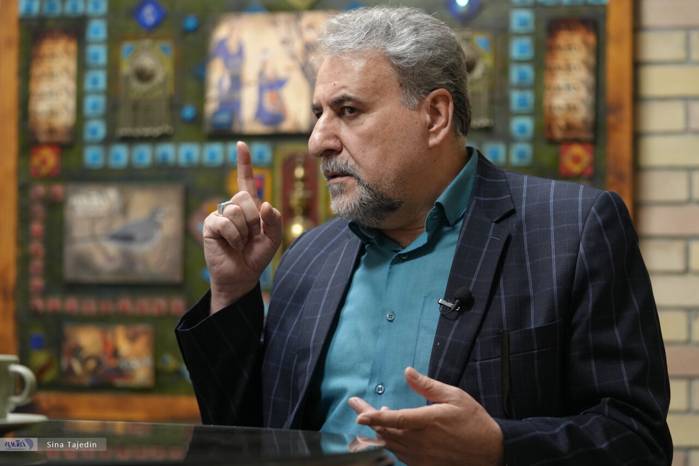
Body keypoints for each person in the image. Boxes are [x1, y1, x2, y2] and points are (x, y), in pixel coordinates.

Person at [176, 7, 672, 465]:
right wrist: (232, 291)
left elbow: (635, 438)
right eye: (318, 114)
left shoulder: (573, 229)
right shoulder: (309, 256)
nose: (318, 141)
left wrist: (498, 447)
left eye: (347, 111)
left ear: (435, 115)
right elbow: (247, 434)